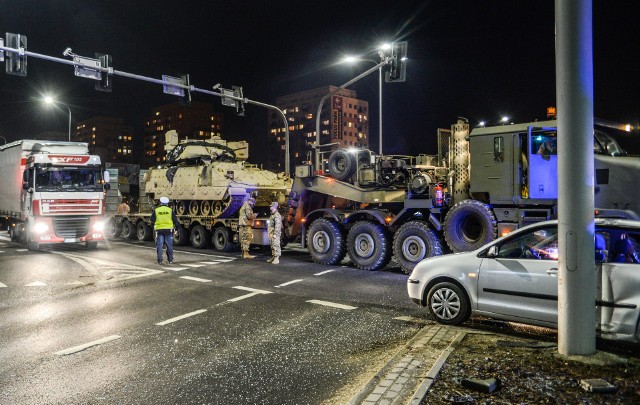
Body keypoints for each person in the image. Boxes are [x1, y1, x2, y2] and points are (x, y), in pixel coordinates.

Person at [151, 196, 179, 265]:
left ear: (161, 203)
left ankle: (160, 260)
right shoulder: (170, 210)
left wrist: (155, 225)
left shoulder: (156, 210)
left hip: (159, 230)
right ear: (167, 203)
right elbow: (176, 221)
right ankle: (170, 260)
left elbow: (152, 220)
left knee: (159, 245)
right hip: (169, 230)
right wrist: (176, 230)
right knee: (169, 245)